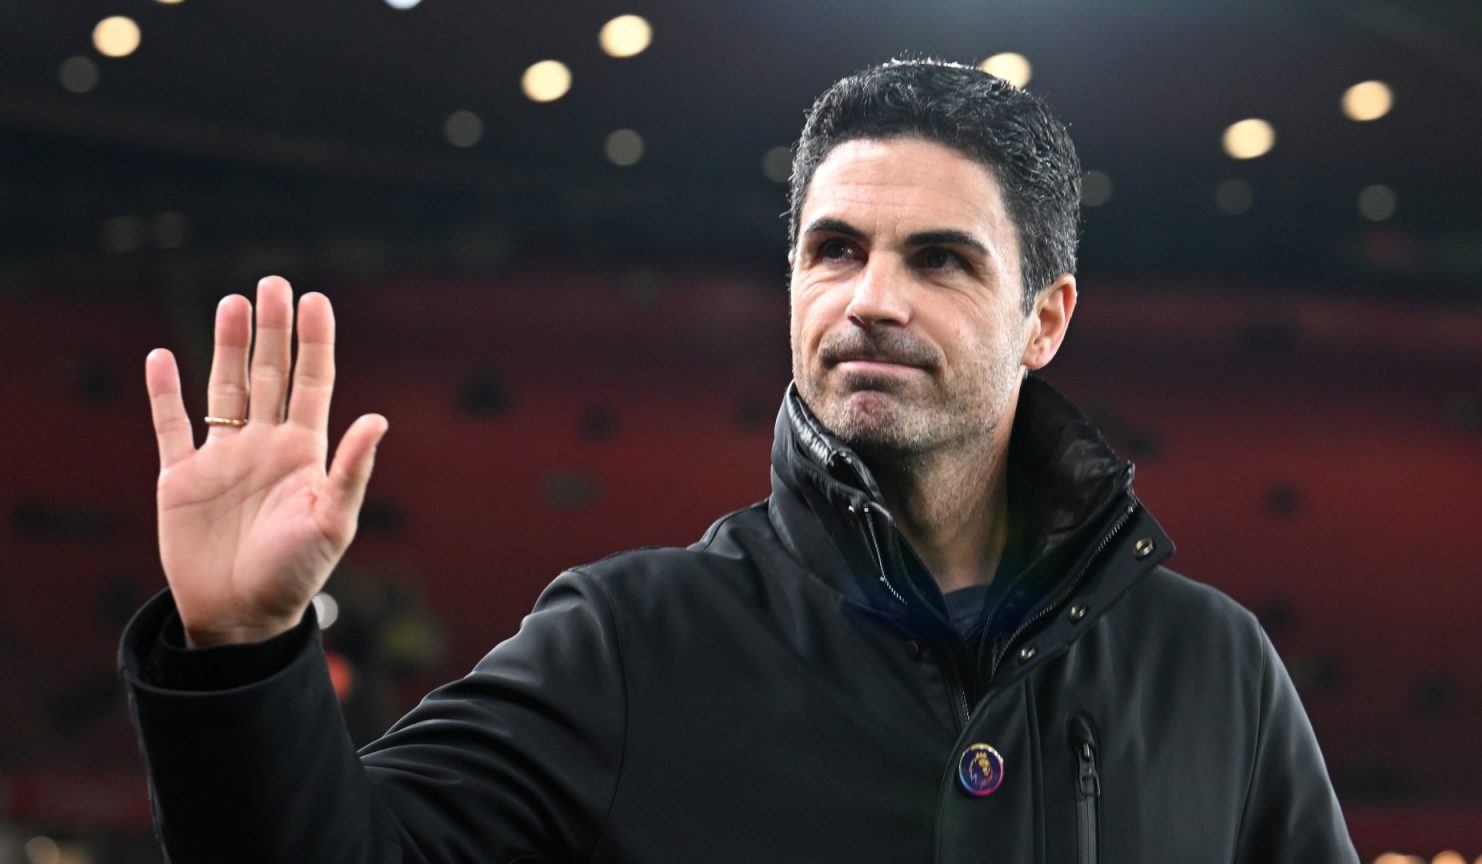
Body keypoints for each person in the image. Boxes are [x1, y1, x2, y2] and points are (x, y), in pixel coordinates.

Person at [121, 59, 1358, 862]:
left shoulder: (1213, 669)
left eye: (940, 259)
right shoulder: (627, 642)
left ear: (1046, 319)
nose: (871, 299)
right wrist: (241, 655)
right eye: (834, 250)